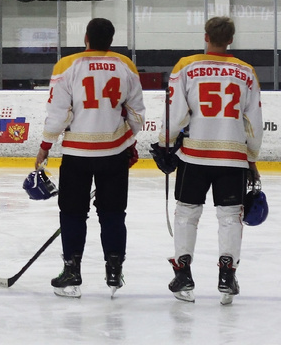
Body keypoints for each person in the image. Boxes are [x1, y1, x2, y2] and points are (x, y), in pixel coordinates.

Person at [150, 16, 262, 304]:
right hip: (232, 156)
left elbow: (176, 112)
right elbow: (254, 122)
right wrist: (251, 158)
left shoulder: (186, 66)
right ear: (231, 40)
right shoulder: (246, 71)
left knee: (187, 213)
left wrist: (165, 144)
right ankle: (227, 275)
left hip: (195, 156)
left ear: (205, 37)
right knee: (229, 217)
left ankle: (183, 273)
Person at [34, 17, 144, 298]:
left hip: (77, 155)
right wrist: (128, 140)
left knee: (72, 213)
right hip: (114, 154)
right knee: (113, 213)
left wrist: (45, 146)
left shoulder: (67, 66)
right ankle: (114, 271)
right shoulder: (125, 65)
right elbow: (136, 114)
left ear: (86, 38)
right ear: (111, 39)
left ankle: (72, 273)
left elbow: (58, 114)